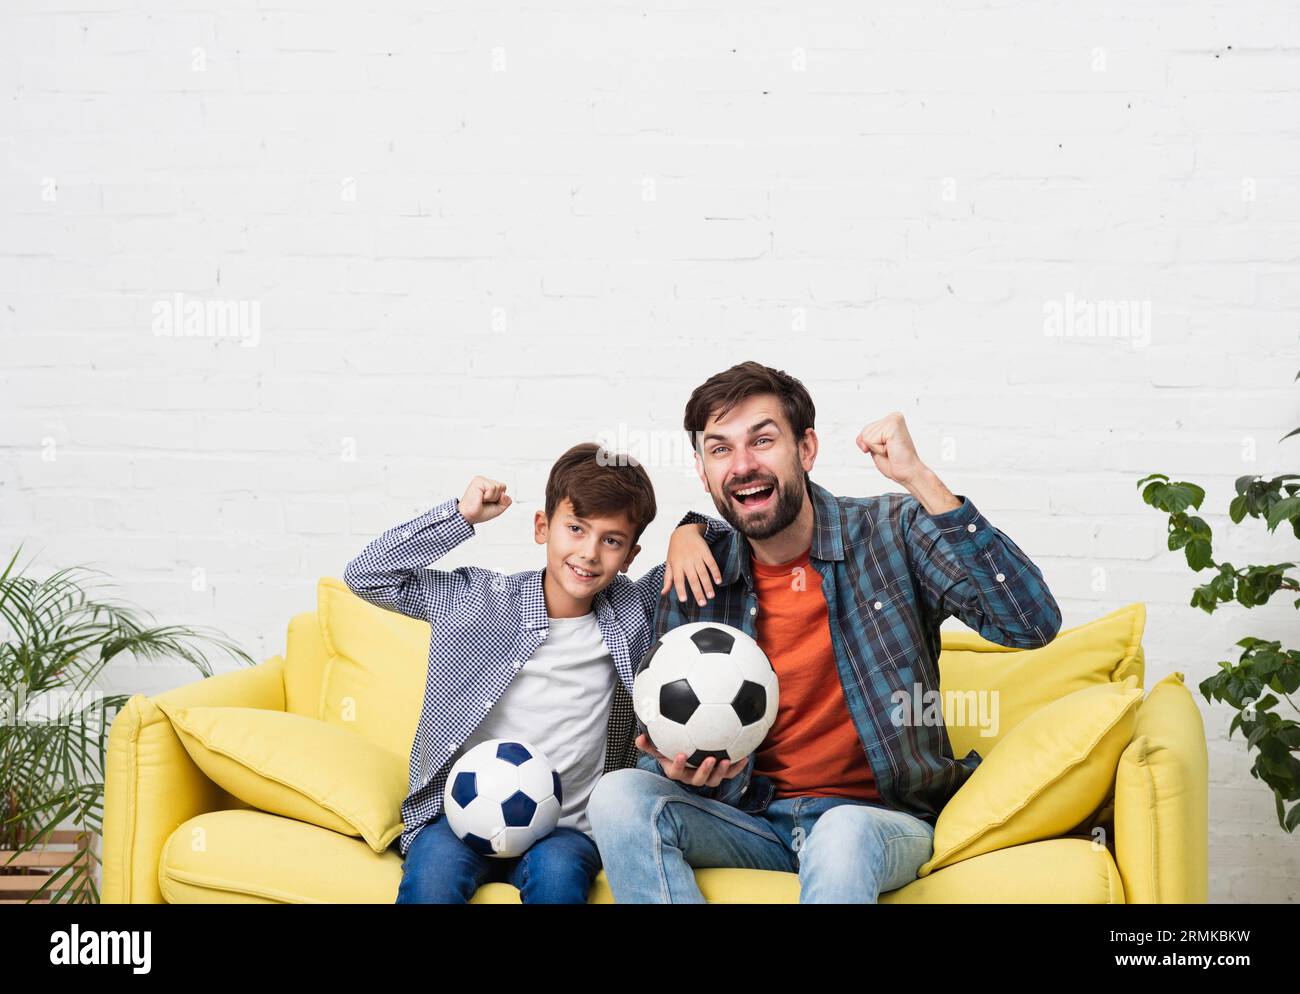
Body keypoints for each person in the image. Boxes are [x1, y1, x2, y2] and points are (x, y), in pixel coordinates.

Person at [588, 361, 1063, 903]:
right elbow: (662, 731)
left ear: (807, 449)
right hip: (754, 821)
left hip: (876, 822)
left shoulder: (893, 532)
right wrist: (680, 767)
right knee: (618, 795)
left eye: (762, 440)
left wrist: (920, 479)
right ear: (702, 471)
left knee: (841, 830)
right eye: (720, 449)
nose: (742, 465)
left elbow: (1031, 624)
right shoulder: (699, 573)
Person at [342, 442, 724, 903]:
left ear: (629, 555)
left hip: (567, 829)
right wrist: (458, 518)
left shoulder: (632, 609)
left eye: (611, 540)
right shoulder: (478, 600)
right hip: (463, 817)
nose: (588, 553)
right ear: (543, 527)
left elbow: (730, 535)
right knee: (431, 881)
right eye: (576, 529)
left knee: (560, 881)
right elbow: (366, 576)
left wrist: (689, 531)